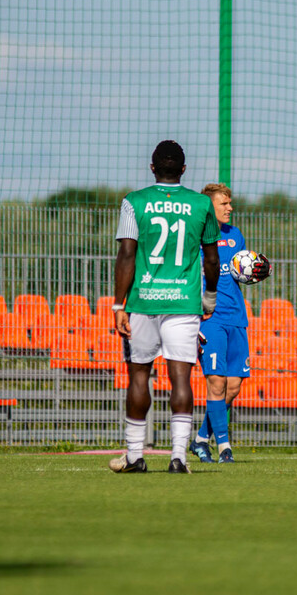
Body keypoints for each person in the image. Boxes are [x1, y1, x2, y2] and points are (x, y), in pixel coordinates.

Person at [109, 140, 221, 474]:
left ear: (152, 167)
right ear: (184, 169)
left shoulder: (134, 202)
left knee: (139, 375)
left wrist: (119, 305)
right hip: (184, 303)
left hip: (143, 302)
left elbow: (127, 254)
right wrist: (210, 297)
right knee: (181, 377)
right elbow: (212, 259)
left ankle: (134, 456)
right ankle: (178, 458)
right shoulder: (201, 205)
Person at [190, 183, 271, 464]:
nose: (230, 208)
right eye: (224, 204)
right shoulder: (194, 237)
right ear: (209, 207)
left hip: (237, 317)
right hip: (210, 319)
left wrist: (252, 272)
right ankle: (225, 448)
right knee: (216, 382)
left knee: (234, 386)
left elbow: (237, 271)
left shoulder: (235, 235)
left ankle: (201, 440)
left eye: (230, 203)